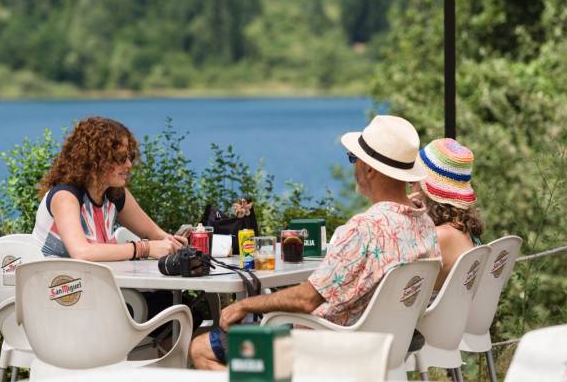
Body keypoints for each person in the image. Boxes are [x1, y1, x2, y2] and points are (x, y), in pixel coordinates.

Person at [189, 115, 441, 370]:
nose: (353, 168)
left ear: (368, 169)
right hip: (384, 346)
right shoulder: (426, 226)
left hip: (328, 347)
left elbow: (306, 300)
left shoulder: (364, 229)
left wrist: (243, 305)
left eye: (353, 159)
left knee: (201, 348)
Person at [33, 116, 187, 260]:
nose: (129, 165)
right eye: (121, 158)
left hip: (94, 282)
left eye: (130, 157)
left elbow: (155, 235)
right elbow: (81, 252)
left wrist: (178, 244)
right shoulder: (65, 197)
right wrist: (144, 248)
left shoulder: (115, 194)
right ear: (95, 160)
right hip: (56, 284)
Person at [411, 138, 484, 292]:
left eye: (415, 175)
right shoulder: (465, 228)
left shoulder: (439, 237)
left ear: (427, 187)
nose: (411, 183)